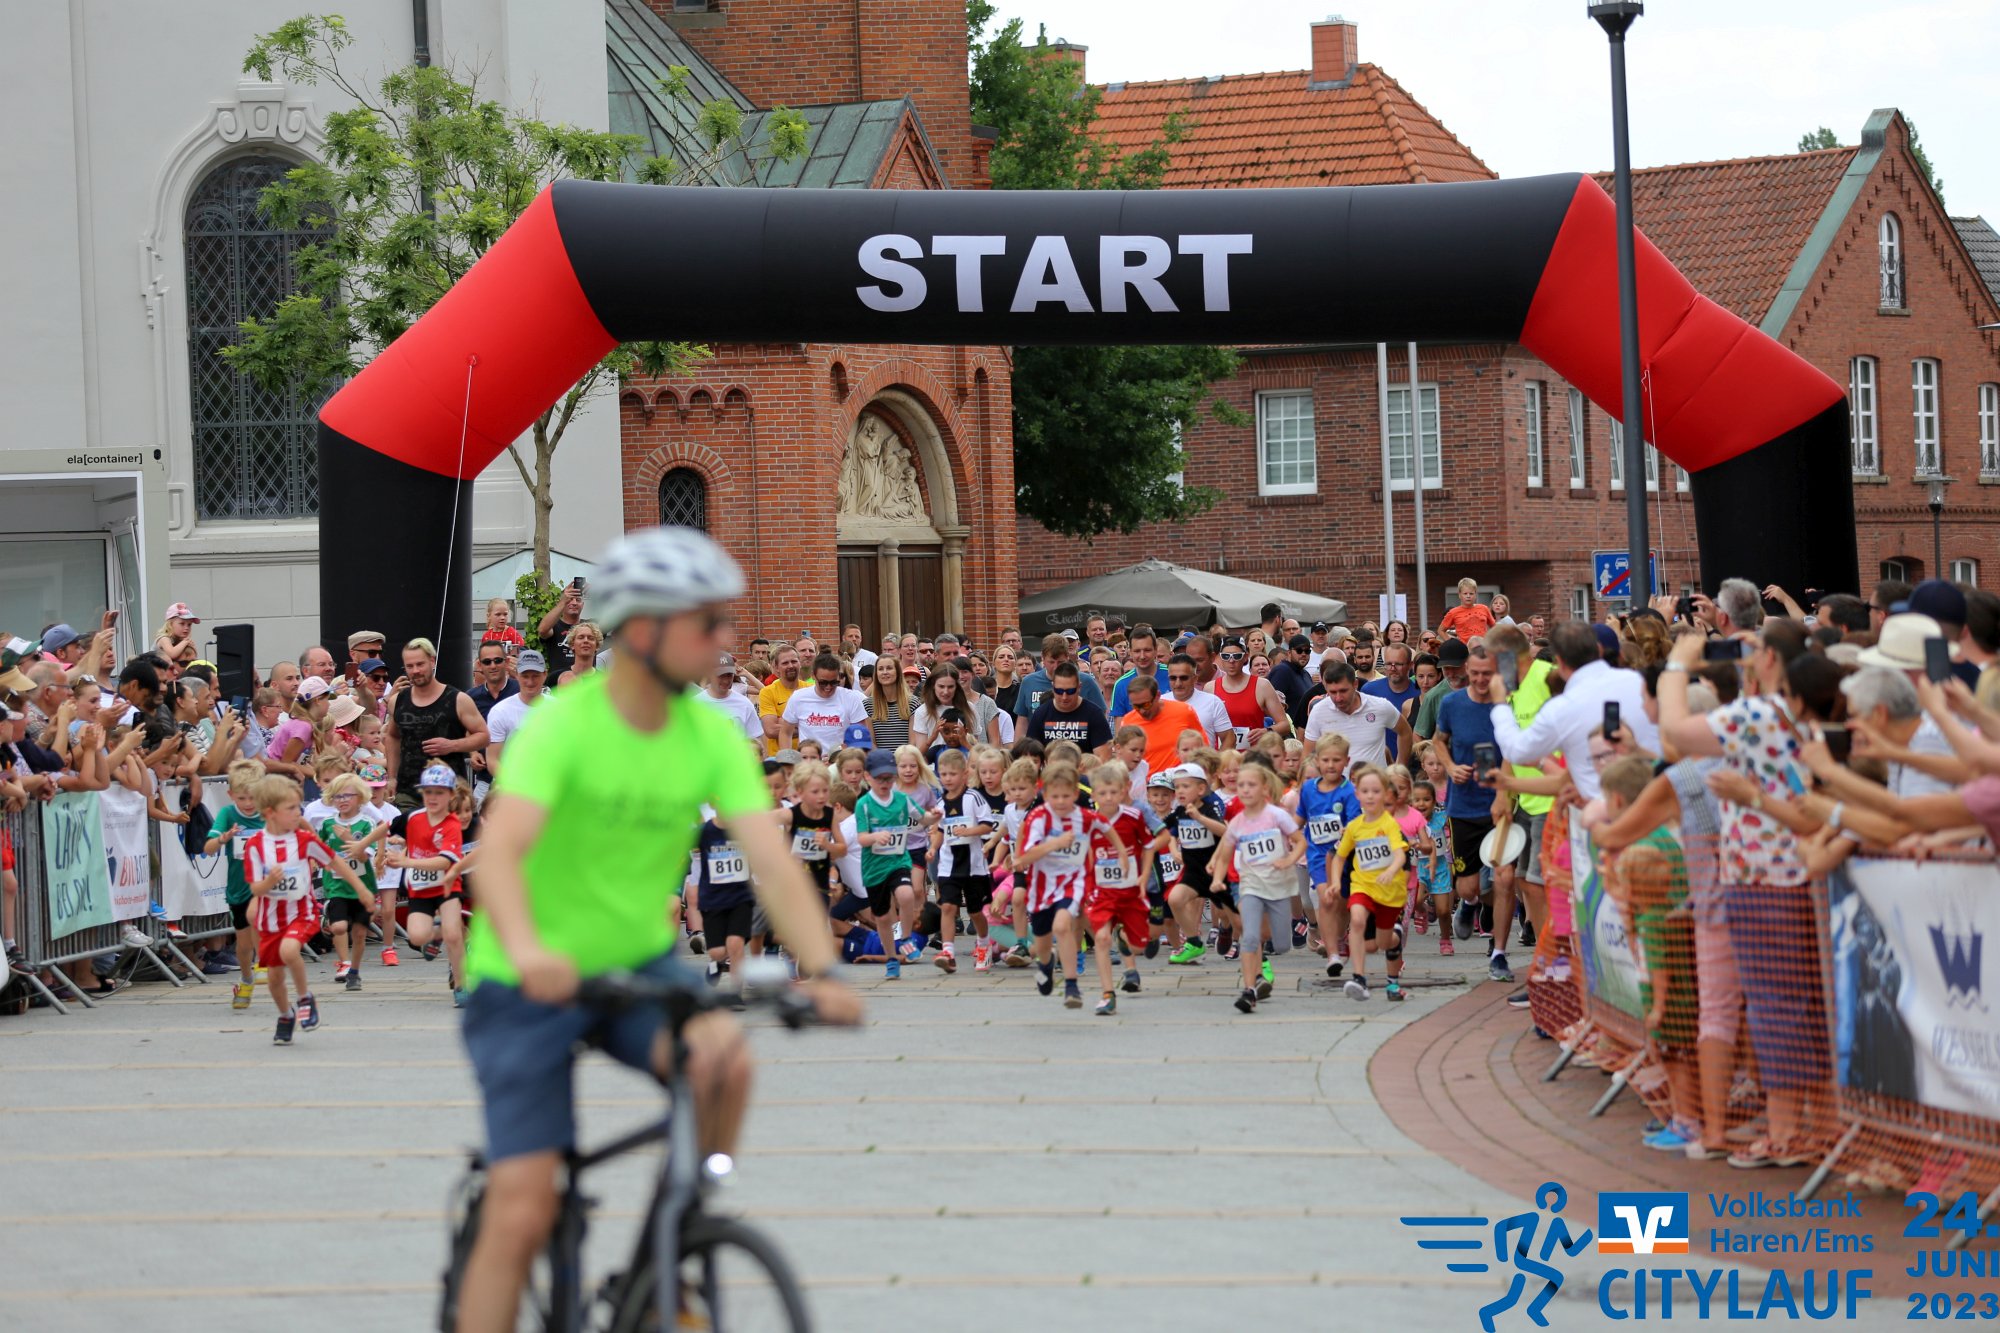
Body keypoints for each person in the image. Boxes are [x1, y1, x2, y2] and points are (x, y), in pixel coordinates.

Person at [454, 527, 859, 1333]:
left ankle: (675, 1238)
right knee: (524, 1207)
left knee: (724, 1060)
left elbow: (772, 860)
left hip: (636, 962)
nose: (723, 637)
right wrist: (529, 953)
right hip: (528, 976)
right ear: (642, 630)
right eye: (705, 621)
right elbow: (498, 857)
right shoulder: (563, 726)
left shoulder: (707, 731)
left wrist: (824, 969)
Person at [244, 773, 374, 1044]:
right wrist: (269, 882)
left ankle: (305, 998)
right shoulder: (255, 845)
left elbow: (335, 862)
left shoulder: (305, 840)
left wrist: (361, 889)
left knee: (289, 950)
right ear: (270, 812)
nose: (298, 813)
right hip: (270, 919)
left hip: (301, 912)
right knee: (275, 978)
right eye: (291, 808)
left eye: (299, 806)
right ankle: (285, 1015)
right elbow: (255, 888)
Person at [1488, 620, 1657, 798]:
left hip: (1605, 806)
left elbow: (1516, 751)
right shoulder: (1639, 681)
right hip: (1657, 799)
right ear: (1598, 649)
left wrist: (1500, 704)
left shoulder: (1561, 708)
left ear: (1559, 661)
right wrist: (1508, 782)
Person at [1434, 646, 1518, 983]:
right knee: (1469, 886)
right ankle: (1469, 904)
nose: (1482, 680)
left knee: (1505, 878)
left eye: (1488, 674)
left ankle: (1499, 953)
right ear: (1467, 670)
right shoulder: (1452, 703)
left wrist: (1502, 793)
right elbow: (1439, 740)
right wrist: (1451, 767)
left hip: (1499, 805)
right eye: (1476, 673)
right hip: (1464, 805)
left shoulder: (1506, 705)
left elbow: (1512, 749)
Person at [1016, 761, 1124, 1010]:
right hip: (1042, 888)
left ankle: (1071, 985)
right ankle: (1046, 963)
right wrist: (1054, 844)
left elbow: (1107, 827)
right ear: (1045, 795)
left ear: (1075, 794)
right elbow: (1025, 857)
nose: (1061, 801)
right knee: (1043, 944)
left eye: (1066, 796)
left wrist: (1121, 854)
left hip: (1073, 882)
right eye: (1055, 797)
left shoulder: (1084, 816)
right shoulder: (1038, 818)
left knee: (1062, 925)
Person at [1210, 762, 1305, 1014]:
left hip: (1276, 885)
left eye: (1251, 785)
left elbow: (1300, 842)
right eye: (1241, 785)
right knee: (1249, 935)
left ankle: (1272, 947)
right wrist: (1218, 878)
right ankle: (1249, 989)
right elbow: (1225, 854)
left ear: (1264, 788)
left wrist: (1288, 860)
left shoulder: (1277, 815)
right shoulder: (1237, 821)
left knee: (1280, 943)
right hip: (1249, 883)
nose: (1245, 789)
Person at [1330, 766, 1409, 1003]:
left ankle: (1393, 976)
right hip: (1362, 886)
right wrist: (1335, 882)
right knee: (1356, 919)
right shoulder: (1354, 827)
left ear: (1385, 793)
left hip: (1389, 892)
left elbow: (1400, 855)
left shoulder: (1390, 824)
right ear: (1357, 794)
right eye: (1365, 791)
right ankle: (1359, 979)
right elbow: (1339, 857)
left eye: (1376, 791)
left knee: (1383, 943)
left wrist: (1392, 871)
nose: (1371, 796)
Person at [383, 638, 487, 808]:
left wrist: (452, 745)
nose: (415, 671)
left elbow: (483, 736)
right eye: (410, 666)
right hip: (408, 792)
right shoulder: (397, 701)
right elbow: (393, 737)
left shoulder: (458, 699)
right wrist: (392, 777)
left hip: (450, 792)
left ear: (432, 661)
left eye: (420, 664)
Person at [854, 747, 928, 978]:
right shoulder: (864, 804)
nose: (885, 783)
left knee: (906, 894)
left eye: (889, 778)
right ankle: (891, 959)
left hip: (898, 860)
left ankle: (906, 939)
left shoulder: (902, 800)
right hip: (874, 867)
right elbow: (861, 838)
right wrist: (875, 837)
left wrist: (935, 816)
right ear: (868, 777)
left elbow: (923, 818)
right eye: (880, 779)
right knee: (883, 918)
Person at [206, 758, 269, 1010]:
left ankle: (263, 962)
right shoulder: (227, 814)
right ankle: (246, 979)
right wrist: (223, 838)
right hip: (238, 886)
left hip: (266, 884)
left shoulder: (269, 813)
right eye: (242, 798)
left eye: (253, 797)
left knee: (259, 919)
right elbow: (208, 848)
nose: (248, 803)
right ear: (231, 795)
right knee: (243, 944)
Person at [317, 772, 388, 992]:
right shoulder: (327, 823)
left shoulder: (366, 824)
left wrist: (350, 840)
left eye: (348, 795)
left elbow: (366, 857)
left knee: (359, 934)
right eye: (337, 796)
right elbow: (318, 847)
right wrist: (319, 861)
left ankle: (354, 971)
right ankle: (343, 959)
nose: (343, 800)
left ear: (360, 797)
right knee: (339, 927)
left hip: (362, 887)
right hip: (337, 884)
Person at [929, 748, 997, 973]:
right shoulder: (940, 804)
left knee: (975, 911)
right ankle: (948, 952)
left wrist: (969, 831)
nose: (947, 778)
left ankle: (984, 945)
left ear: (965, 774)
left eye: (952, 774)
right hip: (949, 865)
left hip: (974, 865)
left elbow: (988, 825)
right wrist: (933, 848)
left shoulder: (973, 798)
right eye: (943, 774)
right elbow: (940, 830)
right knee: (948, 906)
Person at [1304, 661, 1410, 768]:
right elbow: (1307, 757)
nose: (1338, 698)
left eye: (1343, 691)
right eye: (1333, 692)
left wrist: (1400, 768)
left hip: (1376, 778)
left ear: (1355, 684)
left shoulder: (1380, 706)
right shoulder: (1318, 712)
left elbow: (1405, 732)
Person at [779, 653, 869, 754]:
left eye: (834, 682)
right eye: (823, 683)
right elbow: (785, 732)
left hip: (841, 760)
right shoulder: (798, 698)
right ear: (813, 676)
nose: (828, 687)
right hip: (810, 760)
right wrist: (787, 758)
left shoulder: (851, 698)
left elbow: (860, 736)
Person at [1211, 635, 1292, 747]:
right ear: (1220, 658)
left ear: (1245, 657)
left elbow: (1285, 725)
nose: (1231, 660)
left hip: (1253, 755)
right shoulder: (1210, 687)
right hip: (1222, 756)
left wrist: (1266, 731)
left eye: (1237, 656)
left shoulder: (1262, 686)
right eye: (1226, 656)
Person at [1024, 661, 1113, 755]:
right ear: (1053, 687)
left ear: (1079, 687)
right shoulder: (1041, 713)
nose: (1064, 697)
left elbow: (1103, 757)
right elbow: (1031, 755)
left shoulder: (1094, 714)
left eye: (1070, 691)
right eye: (1059, 691)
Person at [692, 653, 761, 745]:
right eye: (721, 675)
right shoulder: (695, 703)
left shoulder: (744, 704)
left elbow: (756, 741)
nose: (726, 680)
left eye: (729, 675)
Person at [756, 648, 807, 756]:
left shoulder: (810, 689)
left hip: (808, 757)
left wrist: (784, 722)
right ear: (776, 667)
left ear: (800, 663)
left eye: (794, 661)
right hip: (779, 758)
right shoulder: (768, 692)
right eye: (785, 663)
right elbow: (771, 730)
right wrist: (806, 725)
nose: (790, 666)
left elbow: (820, 725)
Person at [468, 642, 519, 718]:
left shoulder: (521, 691)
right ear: (480, 665)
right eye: (487, 662)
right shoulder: (471, 698)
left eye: (498, 660)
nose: (493, 666)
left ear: (506, 662)